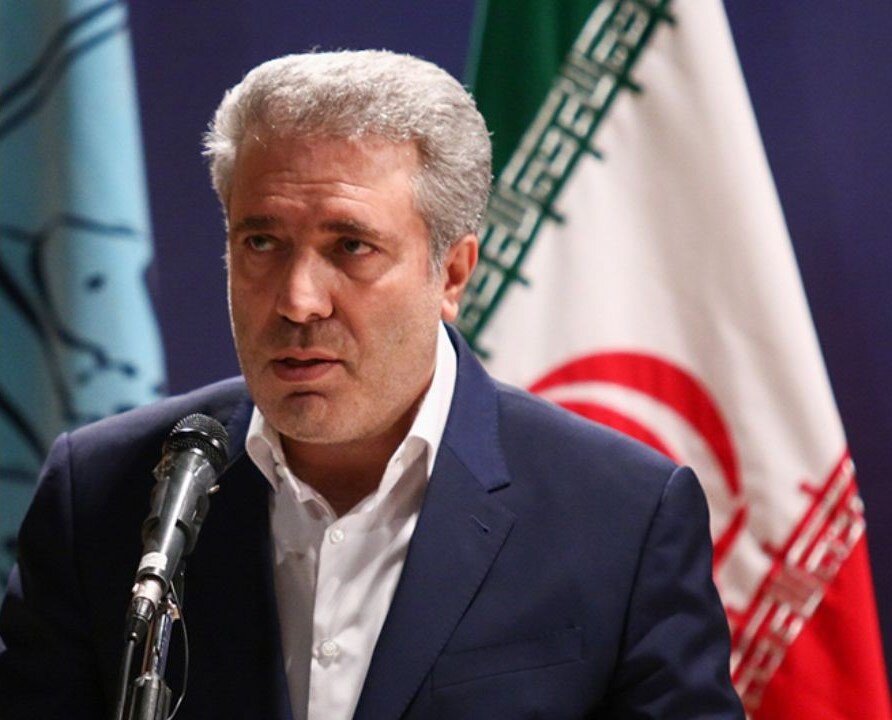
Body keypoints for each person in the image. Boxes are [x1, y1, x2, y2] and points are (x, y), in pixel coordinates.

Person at [0, 50, 744, 719]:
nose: (298, 300)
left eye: (350, 246)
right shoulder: (104, 494)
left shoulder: (621, 518)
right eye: (261, 242)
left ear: (452, 273)